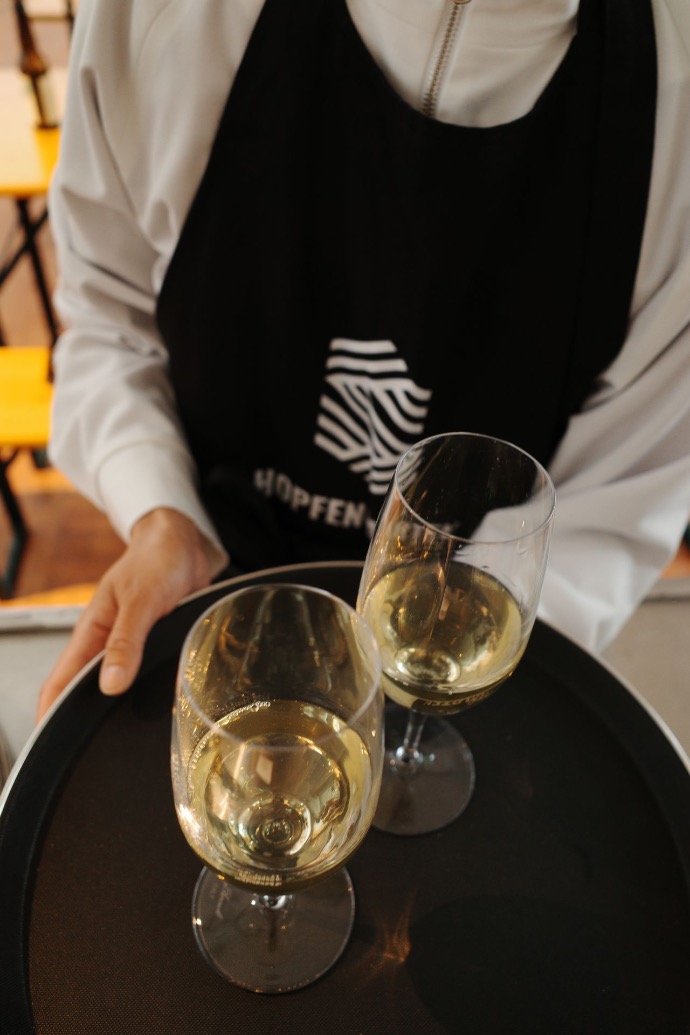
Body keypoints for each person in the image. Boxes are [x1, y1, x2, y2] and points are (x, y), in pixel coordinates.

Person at [37, 0, 690, 720]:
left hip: (460, 637)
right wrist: (161, 510)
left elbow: (628, 481)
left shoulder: (674, 93)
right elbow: (111, 318)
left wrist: (458, 643)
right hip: (212, 578)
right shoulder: (160, 14)